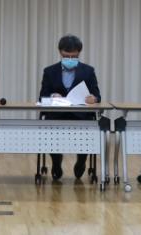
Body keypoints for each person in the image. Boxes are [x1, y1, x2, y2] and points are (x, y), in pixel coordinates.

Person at [39, 34, 101, 181]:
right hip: (57, 115)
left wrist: (93, 98)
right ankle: (56, 162)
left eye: (74, 56)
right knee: (51, 132)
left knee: (86, 132)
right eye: (67, 56)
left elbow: (97, 95)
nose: (70, 59)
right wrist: (52, 96)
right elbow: (42, 96)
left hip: (81, 115)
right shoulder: (49, 71)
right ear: (60, 52)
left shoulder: (88, 71)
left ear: (79, 53)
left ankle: (81, 161)